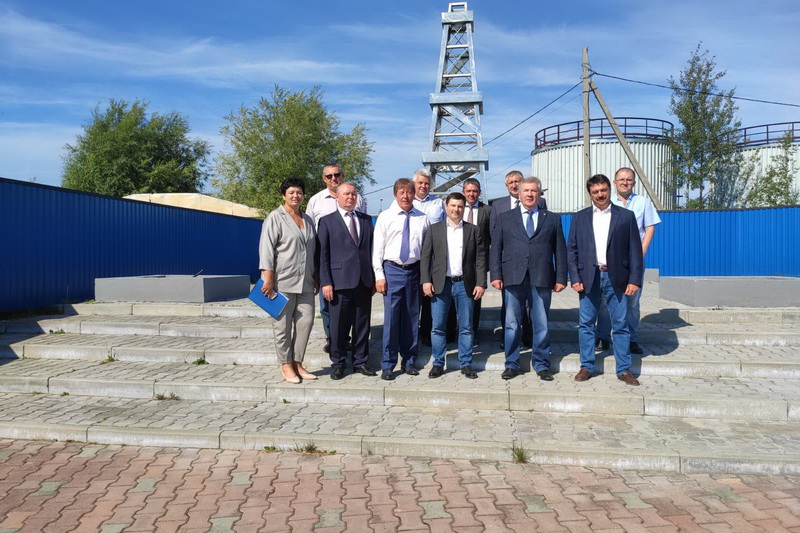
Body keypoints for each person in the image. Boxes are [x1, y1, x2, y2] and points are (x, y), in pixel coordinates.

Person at [567, 174, 644, 386]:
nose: (600, 195)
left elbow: (635, 251)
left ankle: (624, 369)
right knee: (586, 324)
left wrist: (634, 280)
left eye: (603, 190)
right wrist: (574, 277)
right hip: (588, 278)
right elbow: (572, 250)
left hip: (617, 278)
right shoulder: (580, 217)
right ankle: (586, 366)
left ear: (610, 189)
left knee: (620, 325)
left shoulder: (626, 216)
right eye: (595, 192)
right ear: (590, 194)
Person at [489, 177, 567, 380]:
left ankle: (541, 364)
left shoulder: (552, 218)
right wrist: (495, 275)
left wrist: (561, 277)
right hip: (512, 276)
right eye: (526, 191)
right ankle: (511, 363)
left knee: (541, 323)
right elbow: (496, 248)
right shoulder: (505, 218)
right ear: (519, 193)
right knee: (512, 323)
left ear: (539, 194)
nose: (530, 194)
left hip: (542, 276)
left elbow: (560, 250)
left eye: (534, 191)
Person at [258, 177, 319, 384]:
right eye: (291, 192)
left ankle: (297, 362)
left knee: (306, 322)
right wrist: (268, 279)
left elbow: (313, 250)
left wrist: (316, 275)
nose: (296, 196)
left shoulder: (308, 219)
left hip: (306, 281)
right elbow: (266, 250)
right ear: (283, 195)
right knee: (282, 326)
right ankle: (286, 364)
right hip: (281, 282)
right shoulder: (275, 218)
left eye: (299, 192)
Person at [595, 167, 661, 354]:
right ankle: (603, 336)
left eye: (629, 179)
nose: (625, 182)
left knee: (632, 301)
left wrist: (640, 252)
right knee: (605, 301)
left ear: (634, 182)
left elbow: (650, 227)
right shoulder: (607, 202)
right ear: (614, 182)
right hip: (610, 260)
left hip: (633, 261)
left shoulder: (643, 202)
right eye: (621, 179)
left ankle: (631, 338)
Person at [421, 192, 486, 379]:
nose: (456, 209)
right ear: (446, 206)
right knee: (438, 326)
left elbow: (480, 259)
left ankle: (466, 363)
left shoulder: (473, 230)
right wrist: (426, 280)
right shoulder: (434, 229)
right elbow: (426, 257)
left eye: (459, 206)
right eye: (453, 205)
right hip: (440, 285)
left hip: (465, 284)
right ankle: (438, 363)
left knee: (466, 327)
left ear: (464, 208)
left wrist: (481, 283)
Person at [305, 163, 367, 355]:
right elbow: (310, 233)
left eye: (337, 174)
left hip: (356, 270)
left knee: (355, 314)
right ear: (324, 179)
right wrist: (319, 273)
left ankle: (350, 347)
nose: (333, 178)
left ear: (342, 175)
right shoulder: (316, 201)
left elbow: (363, 234)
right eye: (329, 176)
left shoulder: (358, 199)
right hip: (327, 263)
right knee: (328, 307)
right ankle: (332, 340)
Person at [317, 182, 377, 380]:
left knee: (362, 325)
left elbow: (372, 251)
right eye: (346, 194)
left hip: (363, 281)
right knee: (338, 326)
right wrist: (326, 281)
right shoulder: (327, 221)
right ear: (337, 197)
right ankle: (338, 363)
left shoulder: (366, 220)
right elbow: (322, 255)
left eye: (353, 194)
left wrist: (374, 278)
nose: (350, 197)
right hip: (338, 282)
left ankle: (361, 362)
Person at [373, 178, 430, 380]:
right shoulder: (386, 217)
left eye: (409, 192)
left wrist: (425, 277)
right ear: (395, 194)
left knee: (412, 317)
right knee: (392, 320)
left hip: (414, 271)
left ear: (414, 194)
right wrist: (379, 275)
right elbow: (377, 249)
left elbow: (426, 250)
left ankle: (409, 360)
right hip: (392, 270)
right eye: (402, 192)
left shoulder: (422, 218)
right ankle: (388, 364)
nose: (406, 196)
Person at [489, 170, 541, 348]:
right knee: (509, 305)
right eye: (510, 182)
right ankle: (509, 340)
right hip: (509, 264)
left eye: (517, 181)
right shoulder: (498, 205)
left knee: (530, 305)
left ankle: (529, 337)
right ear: (506, 185)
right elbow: (494, 235)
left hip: (533, 264)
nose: (514, 185)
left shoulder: (540, 202)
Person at [411, 168, 445, 347]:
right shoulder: (406, 201)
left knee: (429, 297)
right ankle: (411, 335)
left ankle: (426, 334)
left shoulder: (438, 203)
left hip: (432, 257)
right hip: (413, 256)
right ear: (414, 184)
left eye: (426, 183)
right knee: (412, 299)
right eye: (420, 183)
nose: (423, 186)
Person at [460, 177, 491, 335]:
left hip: (477, 261)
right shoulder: (456, 208)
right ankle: (454, 331)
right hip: (457, 259)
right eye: (468, 191)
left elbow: (491, 236)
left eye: (475, 191)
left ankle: (473, 331)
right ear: (463, 192)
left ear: (479, 192)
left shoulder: (488, 210)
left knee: (475, 296)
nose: (471, 194)